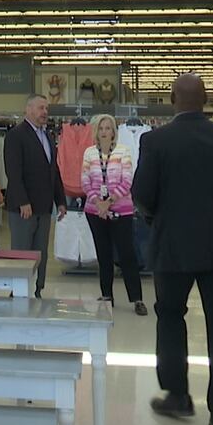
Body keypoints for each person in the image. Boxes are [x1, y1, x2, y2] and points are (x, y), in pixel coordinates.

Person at [131, 74, 213, 425]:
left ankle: (177, 395)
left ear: (172, 99)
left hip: (173, 244)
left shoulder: (155, 141)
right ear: (207, 100)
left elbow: (142, 193)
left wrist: (157, 219)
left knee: (170, 316)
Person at [81, 113, 147, 315]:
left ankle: (136, 298)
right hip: (95, 211)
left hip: (121, 211)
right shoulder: (89, 153)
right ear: (96, 132)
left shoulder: (123, 152)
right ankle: (107, 294)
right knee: (104, 253)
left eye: (108, 128)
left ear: (114, 132)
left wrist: (108, 202)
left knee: (127, 254)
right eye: (101, 128)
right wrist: (98, 203)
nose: (104, 132)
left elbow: (127, 181)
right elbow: (85, 181)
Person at [3, 93, 67, 298]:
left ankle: (38, 289)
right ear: (28, 109)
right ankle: (19, 291)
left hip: (44, 207)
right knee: (22, 251)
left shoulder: (47, 137)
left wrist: (61, 201)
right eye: (41, 108)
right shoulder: (16, 135)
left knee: (41, 252)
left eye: (46, 109)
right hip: (24, 208)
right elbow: (13, 171)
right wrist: (23, 201)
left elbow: (53, 171)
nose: (45, 112)